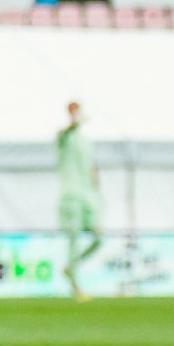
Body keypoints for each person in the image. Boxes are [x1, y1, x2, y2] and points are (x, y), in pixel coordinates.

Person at [57, 100, 104, 300]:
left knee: (99, 238)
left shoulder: (86, 141)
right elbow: (64, 132)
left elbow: (92, 166)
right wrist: (75, 123)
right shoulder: (64, 136)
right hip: (71, 196)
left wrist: (97, 187)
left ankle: (70, 266)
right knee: (74, 240)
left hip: (88, 196)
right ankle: (76, 287)